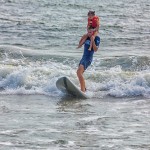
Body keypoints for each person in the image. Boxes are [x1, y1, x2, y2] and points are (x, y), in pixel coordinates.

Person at [77, 27, 100, 92]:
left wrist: (93, 41)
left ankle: (82, 90)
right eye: (88, 32)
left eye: (90, 32)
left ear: (93, 32)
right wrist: (83, 36)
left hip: (88, 58)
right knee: (80, 73)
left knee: (79, 72)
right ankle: (84, 88)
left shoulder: (97, 38)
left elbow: (95, 50)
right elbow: (80, 44)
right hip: (83, 57)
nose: (89, 33)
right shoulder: (86, 37)